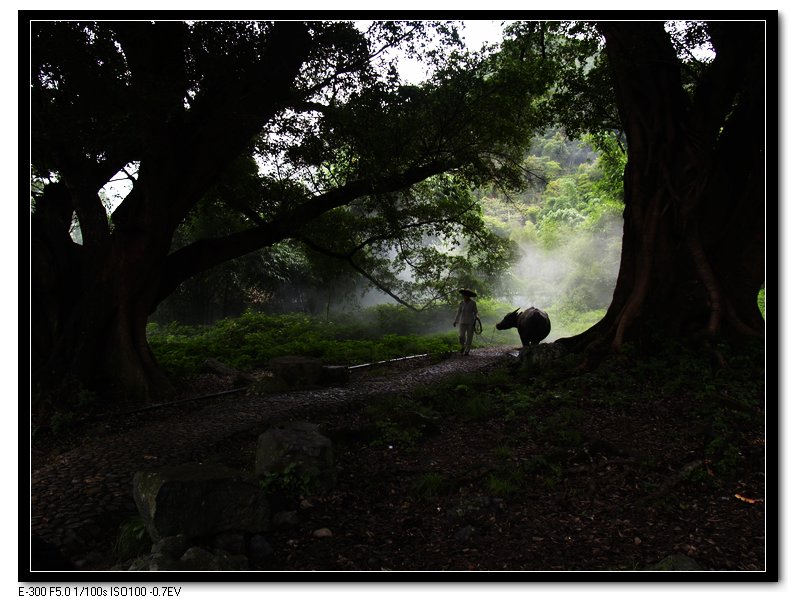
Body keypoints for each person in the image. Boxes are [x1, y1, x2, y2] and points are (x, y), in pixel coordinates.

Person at [453, 289, 479, 355]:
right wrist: (455, 321)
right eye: (464, 295)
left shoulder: (473, 303)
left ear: (469, 296)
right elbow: (458, 312)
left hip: (471, 322)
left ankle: (467, 350)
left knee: (469, 336)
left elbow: (475, 312)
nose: (464, 296)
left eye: (466, 295)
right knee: (461, 336)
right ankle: (463, 346)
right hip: (462, 322)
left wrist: (476, 316)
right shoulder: (461, 303)